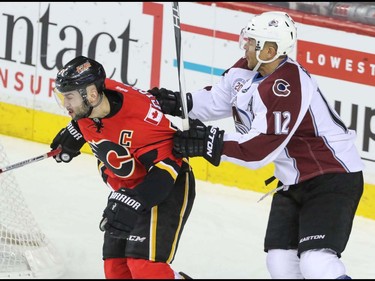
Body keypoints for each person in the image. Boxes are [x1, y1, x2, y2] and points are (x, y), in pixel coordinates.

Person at [148, 11, 364, 279]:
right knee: (281, 265)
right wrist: (181, 103)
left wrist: (209, 143)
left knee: (316, 264)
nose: (245, 45)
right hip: (291, 183)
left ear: (270, 49)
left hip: (331, 178)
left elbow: (258, 150)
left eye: (252, 42)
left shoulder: (286, 86)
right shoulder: (247, 69)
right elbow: (217, 100)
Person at [49, 55, 195, 279]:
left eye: (69, 98)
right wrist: (76, 130)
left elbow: (168, 168)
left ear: (92, 95)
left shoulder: (140, 119)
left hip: (163, 186)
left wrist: (136, 200)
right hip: (125, 191)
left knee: (145, 268)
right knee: (116, 271)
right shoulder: (91, 102)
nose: (65, 105)